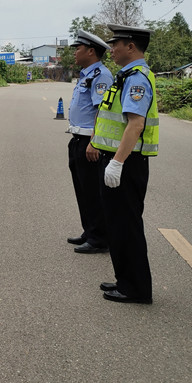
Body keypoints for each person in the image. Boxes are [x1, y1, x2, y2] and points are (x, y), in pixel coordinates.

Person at [90, 24, 158, 304]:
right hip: (117, 160)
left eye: (116, 44)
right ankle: (125, 280)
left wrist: (117, 162)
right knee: (117, 224)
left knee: (127, 225)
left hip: (126, 163)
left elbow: (135, 124)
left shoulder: (137, 79)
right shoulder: (126, 76)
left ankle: (136, 289)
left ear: (131, 46)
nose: (112, 49)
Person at [66, 30, 112, 254]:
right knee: (83, 190)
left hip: (89, 141)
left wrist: (94, 142)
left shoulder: (101, 75)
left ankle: (99, 238)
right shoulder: (87, 74)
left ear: (91, 51)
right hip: (77, 139)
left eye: (78, 48)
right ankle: (89, 231)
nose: (75, 52)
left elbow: (101, 111)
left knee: (93, 191)